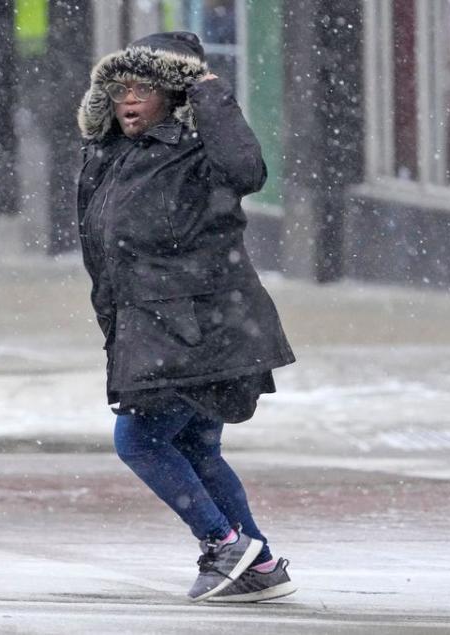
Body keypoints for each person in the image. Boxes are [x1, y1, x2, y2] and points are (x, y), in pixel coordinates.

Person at [75, 31, 297, 603]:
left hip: (201, 326)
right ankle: (259, 562)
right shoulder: (111, 158)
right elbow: (104, 254)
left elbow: (248, 171)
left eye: (144, 87)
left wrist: (208, 91)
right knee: (197, 448)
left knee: (140, 442)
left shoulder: (198, 152)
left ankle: (225, 543)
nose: (129, 99)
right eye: (120, 87)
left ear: (172, 95)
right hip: (150, 326)